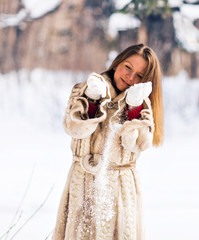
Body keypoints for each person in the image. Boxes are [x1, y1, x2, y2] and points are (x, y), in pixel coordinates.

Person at [53, 44, 163, 240]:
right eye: (127, 67)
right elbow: (73, 128)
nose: (130, 78)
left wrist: (133, 109)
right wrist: (93, 101)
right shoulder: (85, 90)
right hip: (82, 182)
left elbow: (138, 144)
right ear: (116, 63)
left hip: (120, 187)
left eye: (139, 75)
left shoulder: (142, 104)